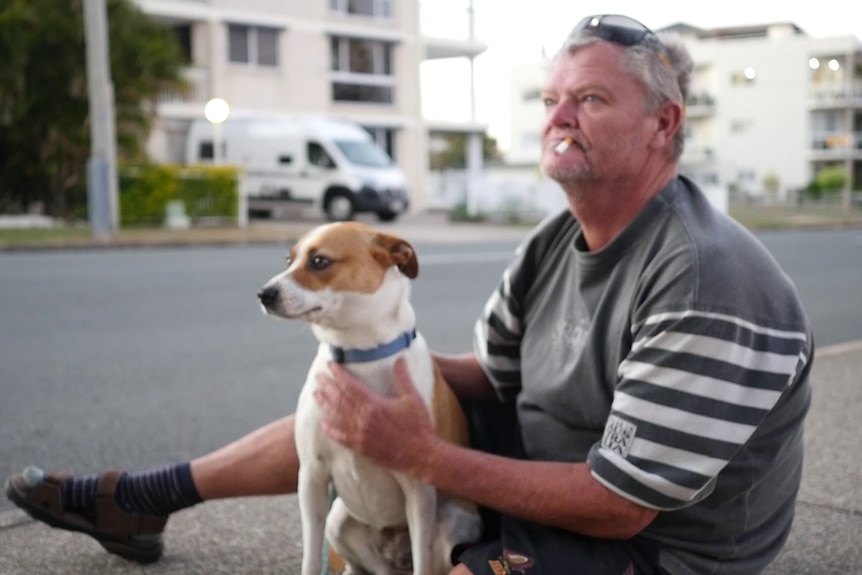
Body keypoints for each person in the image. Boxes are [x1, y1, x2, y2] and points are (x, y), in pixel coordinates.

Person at [6, 14, 813, 575]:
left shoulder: (705, 276)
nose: (558, 117)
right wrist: (375, 360)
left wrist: (422, 453)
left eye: (592, 99)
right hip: (544, 466)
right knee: (353, 401)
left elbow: (621, 504)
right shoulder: (552, 241)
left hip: (659, 549)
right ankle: (143, 499)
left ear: (663, 124)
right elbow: (490, 379)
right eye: (551, 99)